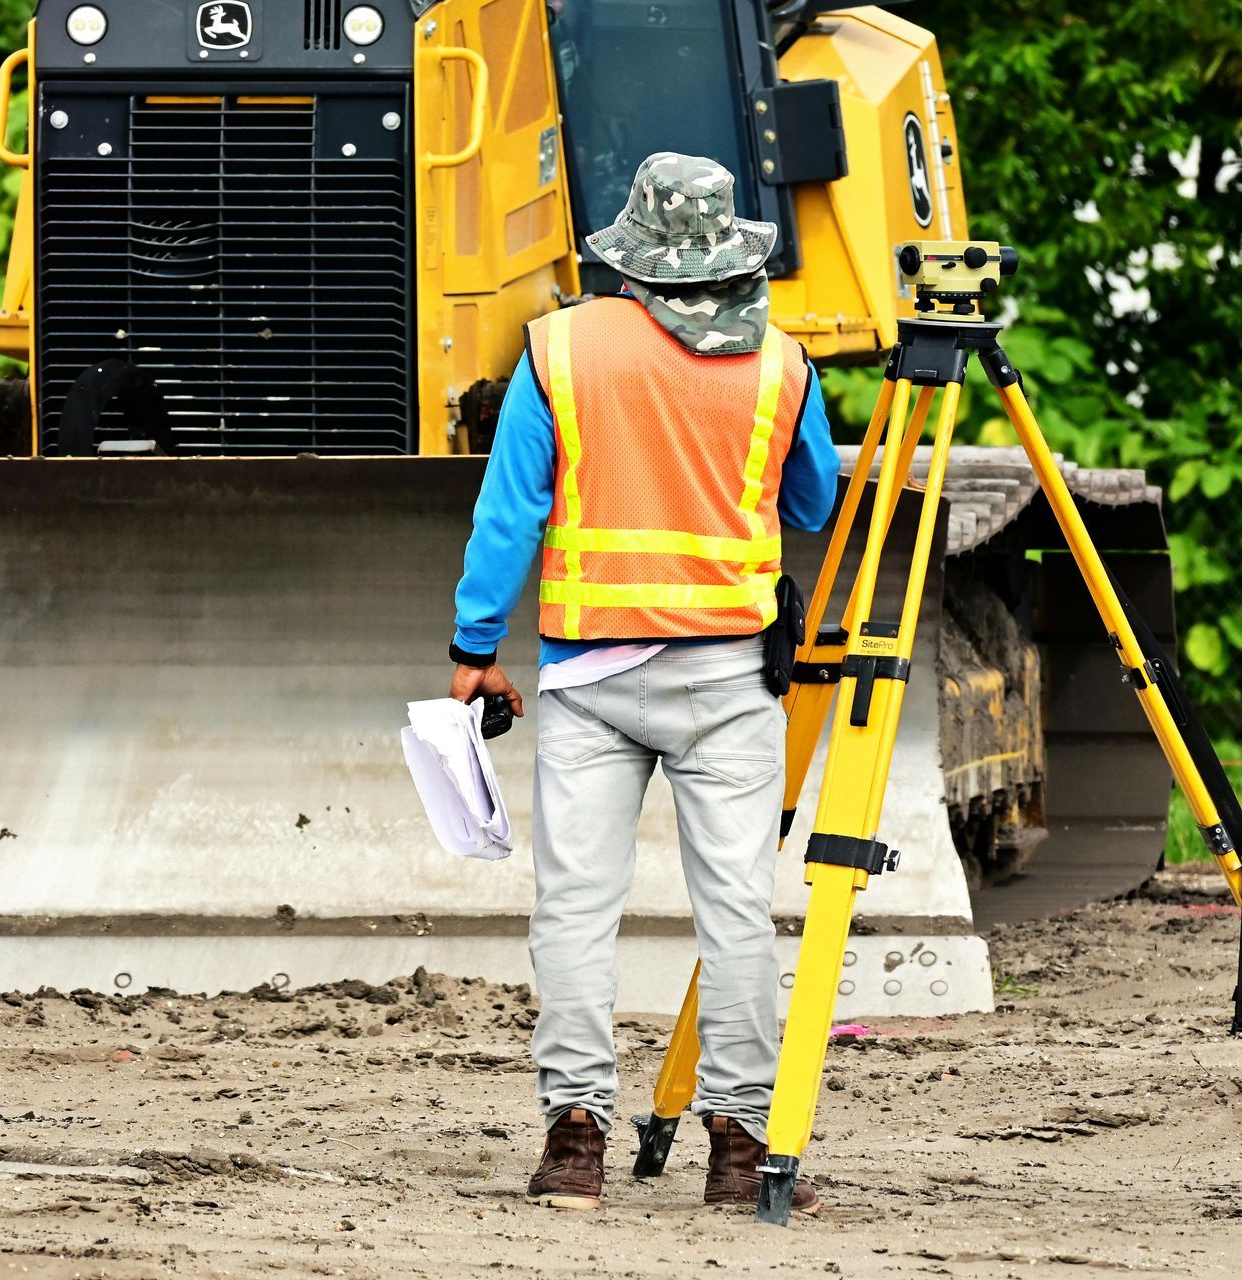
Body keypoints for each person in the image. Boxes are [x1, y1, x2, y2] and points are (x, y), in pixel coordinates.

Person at [445, 152, 840, 1213]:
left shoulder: (559, 349)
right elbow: (811, 503)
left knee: (574, 906)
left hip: (589, 676)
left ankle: (575, 1141)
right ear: (723, 252)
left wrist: (475, 643)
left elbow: (508, 513)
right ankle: (742, 1151)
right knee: (737, 913)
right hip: (728, 679)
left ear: (630, 253)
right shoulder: (784, 363)